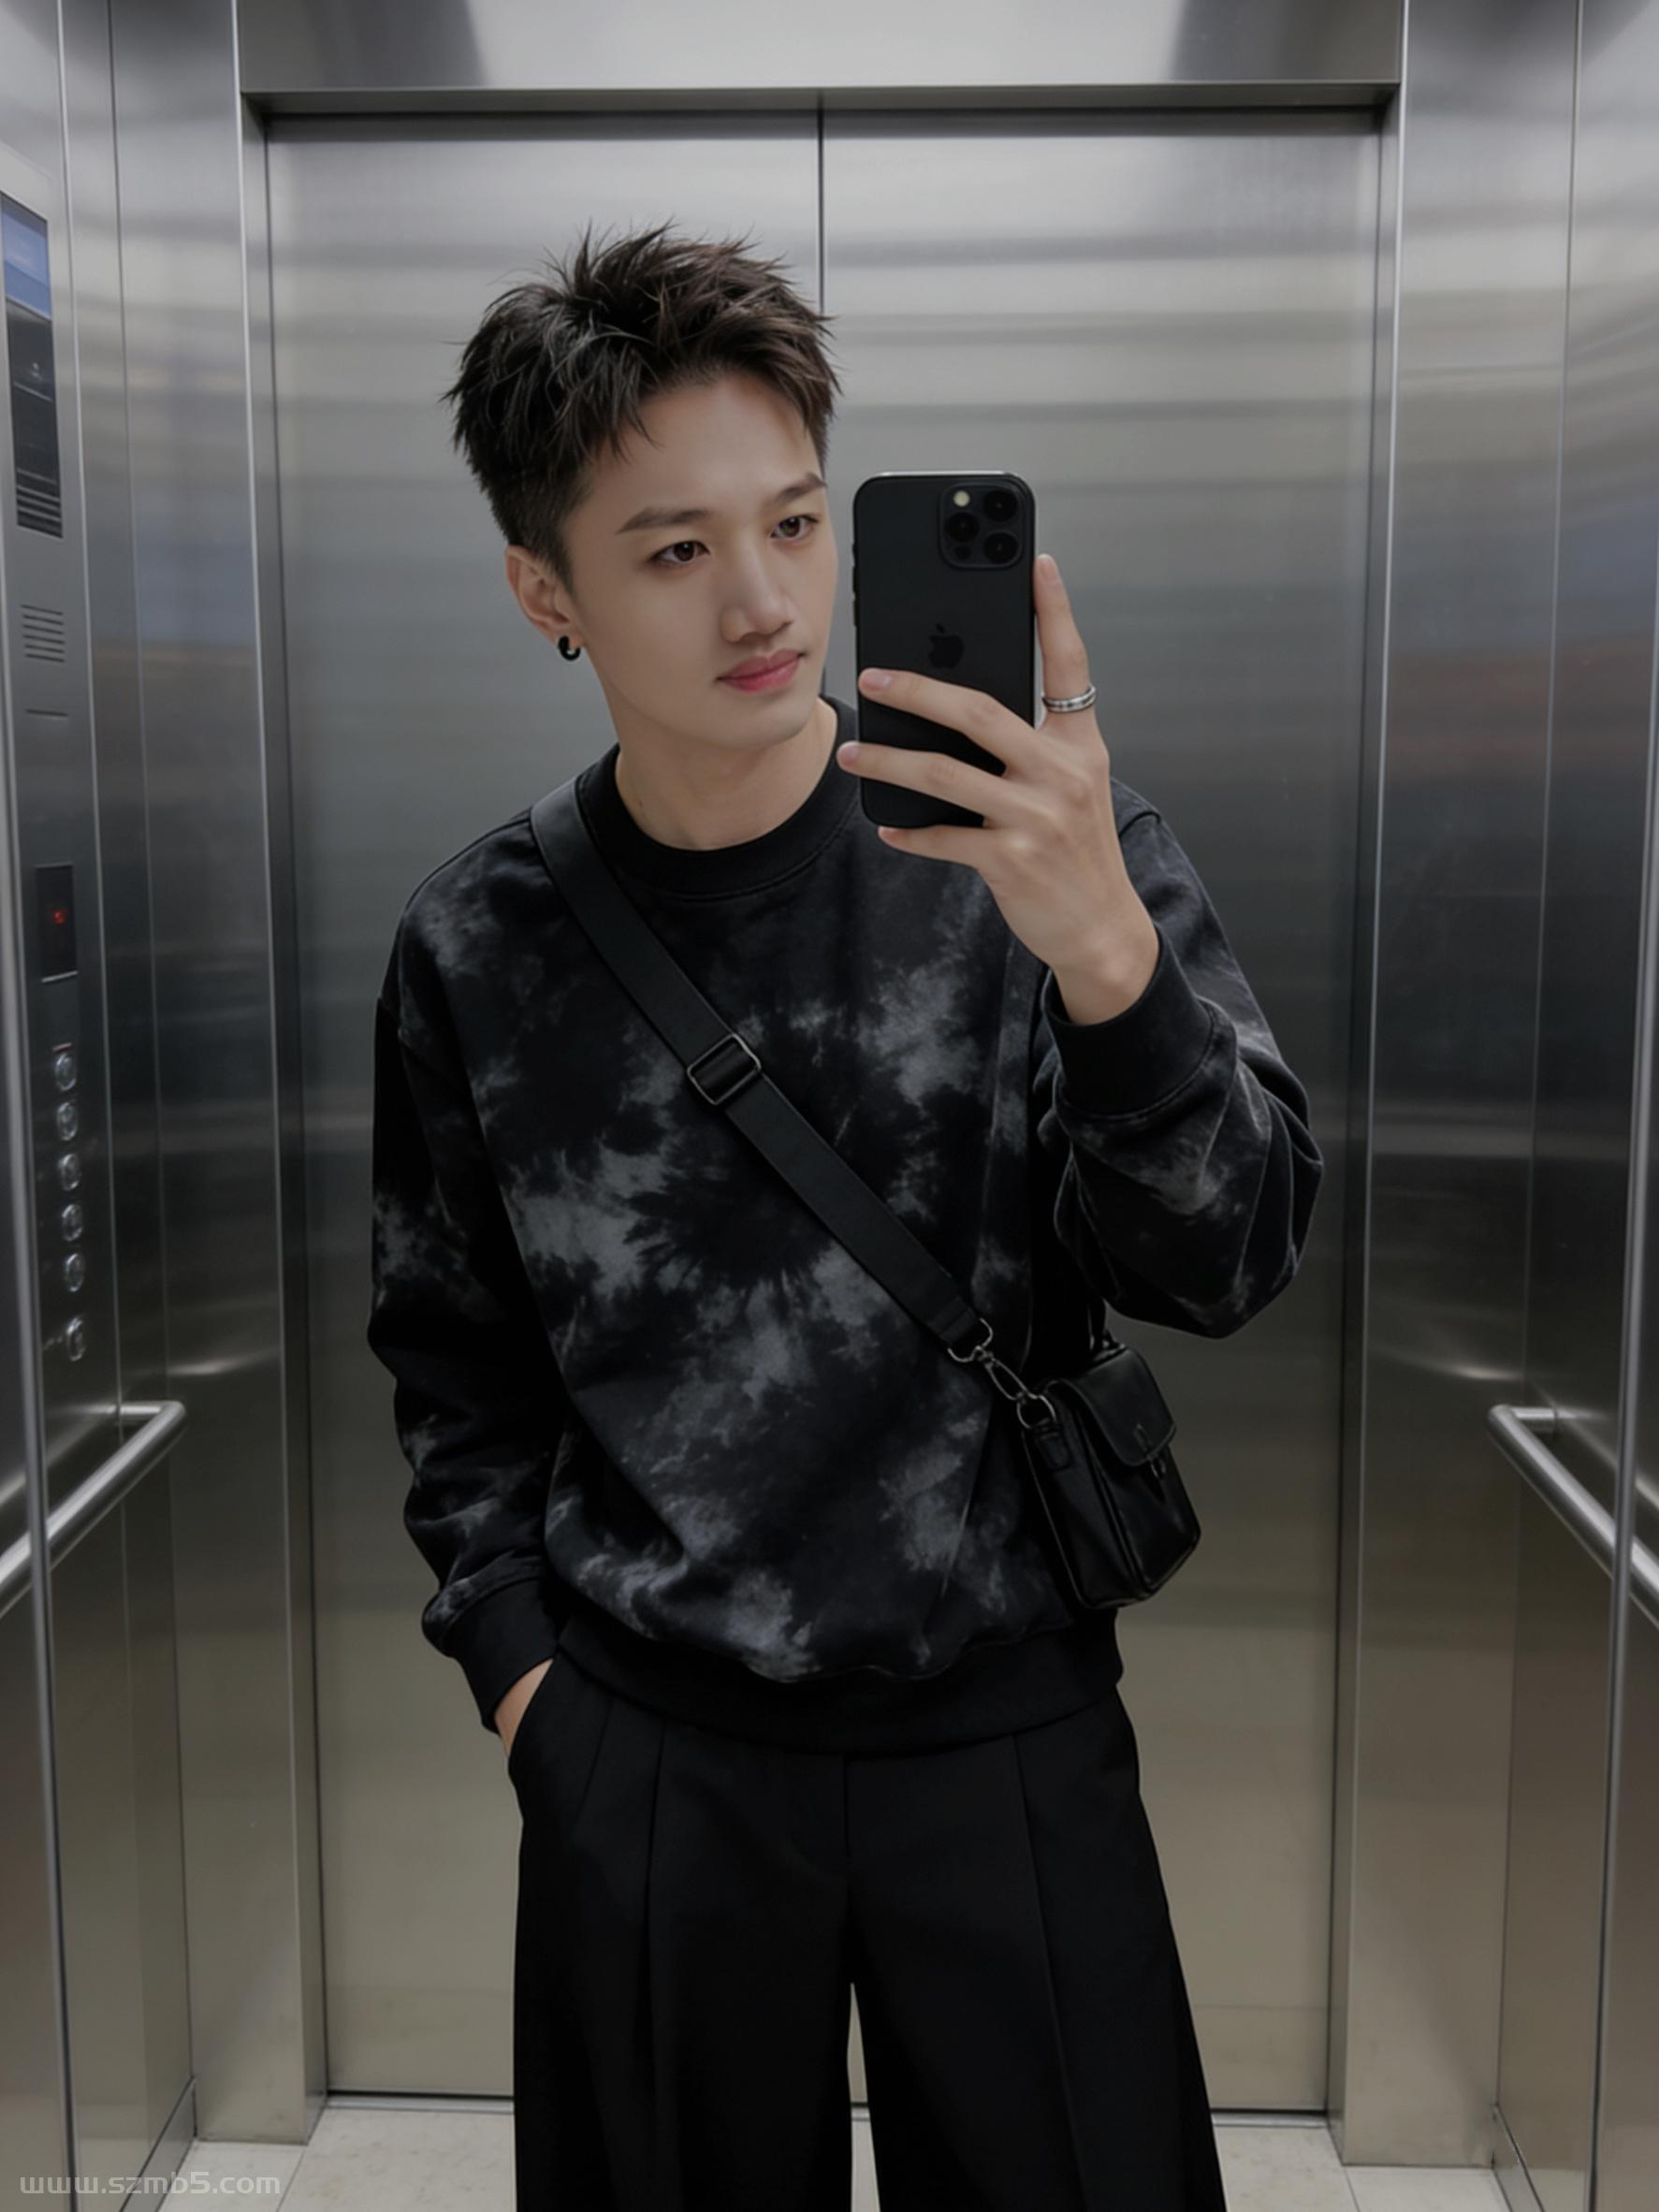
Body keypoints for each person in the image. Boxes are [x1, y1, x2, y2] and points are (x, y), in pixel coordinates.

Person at [366, 215, 1322, 2211]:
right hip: (649, 1740)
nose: (761, 600)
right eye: (672, 551)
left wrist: (1105, 959)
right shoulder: (478, 944)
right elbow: (453, 1360)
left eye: (795, 523)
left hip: (1004, 1719)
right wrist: (531, 1689)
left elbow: (1229, 1260)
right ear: (544, 590)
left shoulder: (1043, 848)